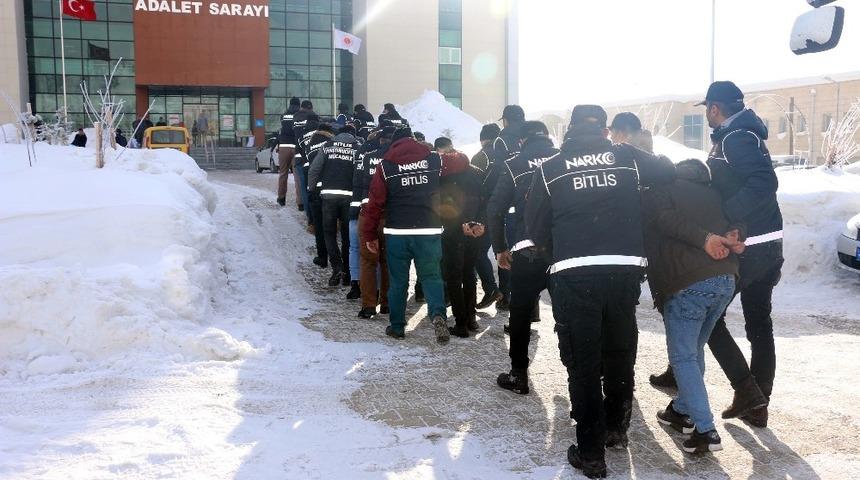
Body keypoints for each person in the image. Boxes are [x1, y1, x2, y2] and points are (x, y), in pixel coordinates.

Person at [525, 105, 675, 478]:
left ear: (570, 130)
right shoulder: (625, 156)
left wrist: (556, 247)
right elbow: (668, 171)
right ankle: (616, 427)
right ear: (606, 130)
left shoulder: (550, 168)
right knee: (619, 350)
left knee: (584, 362)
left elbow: (535, 227)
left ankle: (591, 453)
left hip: (575, 274)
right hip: (624, 271)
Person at [643, 159, 745, 454]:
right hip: (726, 279)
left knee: (684, 357)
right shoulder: (715, 194)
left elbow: (666, 221)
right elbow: (740, 220)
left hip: (689, 284)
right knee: (694, 349)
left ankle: (705, 429)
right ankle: (681, 410)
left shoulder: (662, 192)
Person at [362, 127, 450, 344]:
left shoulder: (385, 165)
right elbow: (459, 163)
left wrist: (369, 234)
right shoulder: (433, 160)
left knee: (398, 281)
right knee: (431, 277)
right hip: (428, 229)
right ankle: (438, 314)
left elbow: (375, 203)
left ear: (394, 143)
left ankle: (398, 326)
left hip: (397, 232)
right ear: (413, 140)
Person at [489, 121, 559, 394]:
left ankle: (519, 374)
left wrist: (500, 248)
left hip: (527, 251)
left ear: (521, 141)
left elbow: (495, 209)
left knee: (519, 314)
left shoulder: (514, 164)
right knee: (569, 316)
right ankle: (580, 374)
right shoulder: (563, 159)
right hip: (562, 252)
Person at [435, 136, 486, 338]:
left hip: (453, 232)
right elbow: (484, 200)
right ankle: (471, 319)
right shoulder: (476, 172)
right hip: (475, 231)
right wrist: (477, 222)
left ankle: (460, 323)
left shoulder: (443, 175)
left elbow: (443, 206)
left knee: (454, 277)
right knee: (469, 274)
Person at [484, 105, 526, 310]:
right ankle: (530, 306)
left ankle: (506, 297)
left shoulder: (501, 139)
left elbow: (501, 170)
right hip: (533, 204)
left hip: (510, 204)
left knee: (506, 253)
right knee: (527, 254)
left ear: (506, 120)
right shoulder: (530, 136)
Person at [308, 123, 360, 287]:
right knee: (347, 235)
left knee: (329, 233)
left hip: (328, 195)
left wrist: (312, 188)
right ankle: (348, 272)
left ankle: (336, 267)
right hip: (349, 196)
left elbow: (314, 169)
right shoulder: (357, 147)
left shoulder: (327, 146)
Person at [355, 126, 396, 318]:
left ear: (380, 140)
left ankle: (369, 305)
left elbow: (358, 183)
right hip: (390, 216)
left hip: (368, 213)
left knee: (368, 261)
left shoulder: (367, 157)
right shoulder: (397, 160)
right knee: (387, 261)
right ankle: (387, 303)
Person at [471, 123, 503, 309]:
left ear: (483, 139)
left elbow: (473, 187)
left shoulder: (481, 156)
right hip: (507, 212)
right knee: (503, 253)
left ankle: (491, 289)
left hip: (486, 212)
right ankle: (505, 295)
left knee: (478, 252)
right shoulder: (507, 154)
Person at [301, 118, 332, 268]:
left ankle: (322, 257)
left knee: (319, 226)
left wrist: (311, 190)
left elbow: (311, 166)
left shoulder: (310, 143)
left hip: (315, 188)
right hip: (328, 188)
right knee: (330, 227)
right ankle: (337, 262)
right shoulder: (331, 143)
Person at [294, 100, 320, 226]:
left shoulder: (301, 133)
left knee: (306, 189)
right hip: (320, 166)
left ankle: (310, 217)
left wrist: (299, 161)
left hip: (304, 164)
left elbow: (298, 149)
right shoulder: (322, 134)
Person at [277, 97, 302, 208]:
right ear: (299, 105)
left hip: (283, 146)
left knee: (283, 174)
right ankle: (300, 203)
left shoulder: (283, 115)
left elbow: (283, 128)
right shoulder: (300, 116)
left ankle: (281, 198)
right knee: (297, 176)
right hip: (295, 147)